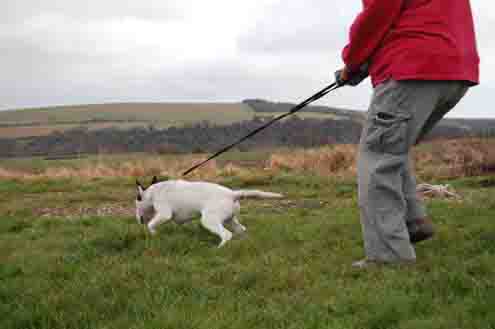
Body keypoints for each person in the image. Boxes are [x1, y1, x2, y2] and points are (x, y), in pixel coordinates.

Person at [336, 0, 480, 267]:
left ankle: (388, 256)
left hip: (414, 66)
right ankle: (412, 223)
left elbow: (377, 14)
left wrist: (352, 62)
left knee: (377, 158)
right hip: (457, 68)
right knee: (393, 150)